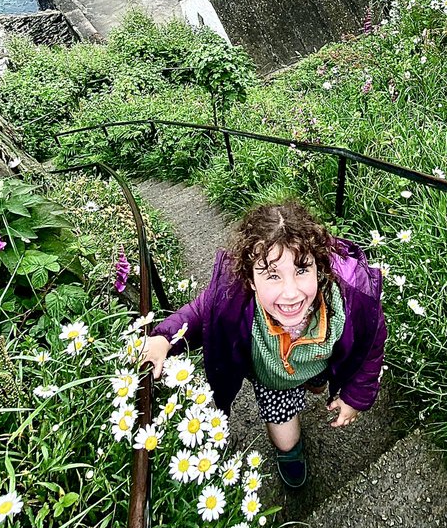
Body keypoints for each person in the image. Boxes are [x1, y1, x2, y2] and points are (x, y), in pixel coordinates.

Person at [140, 201, 386, 489]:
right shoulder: (233, 297)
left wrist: (357, 395)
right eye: (272, 275)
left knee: (317, 384)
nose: (291, 292)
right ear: (251, 280)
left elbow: (372, 343)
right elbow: (198, 313)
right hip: (273, 380)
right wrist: (163, 338)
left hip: (321, 359)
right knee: (286, 439)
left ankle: (314, 383)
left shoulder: (349, 301)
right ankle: (290, 451)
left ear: (319, 269)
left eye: (302, 270)